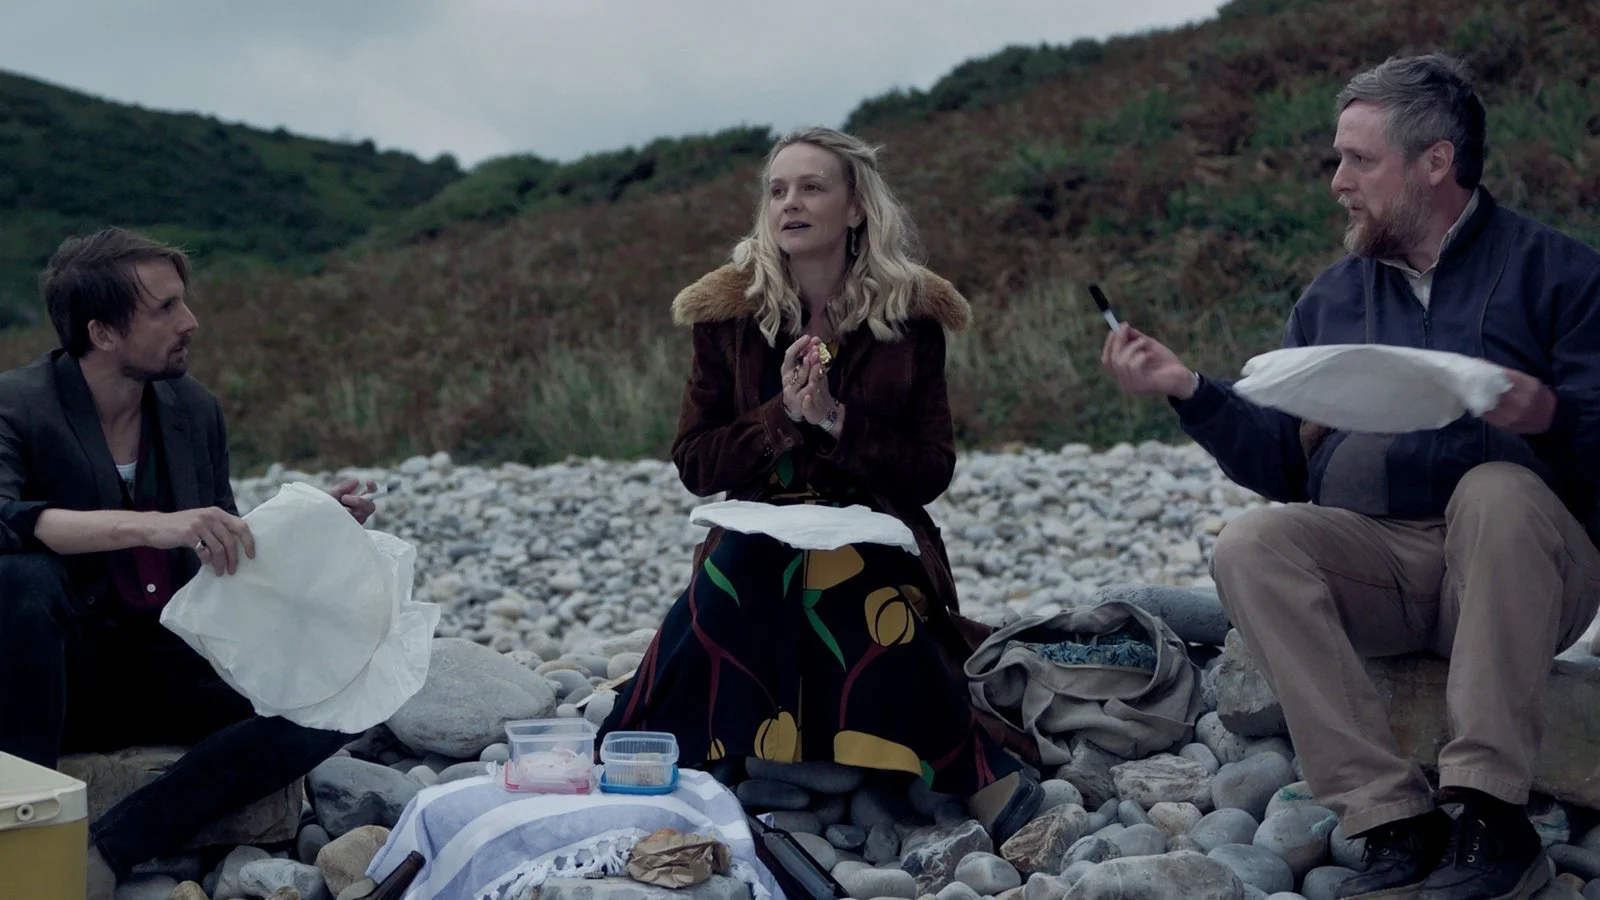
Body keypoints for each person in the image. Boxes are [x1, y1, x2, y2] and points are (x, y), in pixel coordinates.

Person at [1101, 54, 1600, 900]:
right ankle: (1390, 817)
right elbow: (1281, 465)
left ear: (1435, 162)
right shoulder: (1330, 301)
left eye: (1359, 160)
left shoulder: (1561, 275)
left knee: (1498, 491)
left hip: (1527, 566)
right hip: (1387, 567)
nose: (1338, 182)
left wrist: (1547, 415)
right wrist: (1189, 390)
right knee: (1252, 544)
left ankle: (1492, 816)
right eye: (1338, 159)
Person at [600, 126, 1044, 843]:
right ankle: (671, 756)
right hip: (757, 522)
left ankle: (968, 773)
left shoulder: (911, 316)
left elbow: (931, 469)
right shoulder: (726, 317)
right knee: (743, 566)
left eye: (812, 187)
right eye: (778, 190)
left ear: (856, 207)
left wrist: (836, 419)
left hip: (874, 522)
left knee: (854, 573)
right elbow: (696, 463)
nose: (790, 203)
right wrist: (781, 416)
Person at [0, 228, 380, 898]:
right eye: (165, 308)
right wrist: (156, 524)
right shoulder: (17, 404)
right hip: (52, 674)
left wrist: (307, 525)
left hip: (167, 659)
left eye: (184, 301)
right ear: (102, 333)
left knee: (337, 698)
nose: (190, 321)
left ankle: (111, 849)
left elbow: (220, 550)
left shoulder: (192, 409)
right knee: (21, 577)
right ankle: (20, 824)